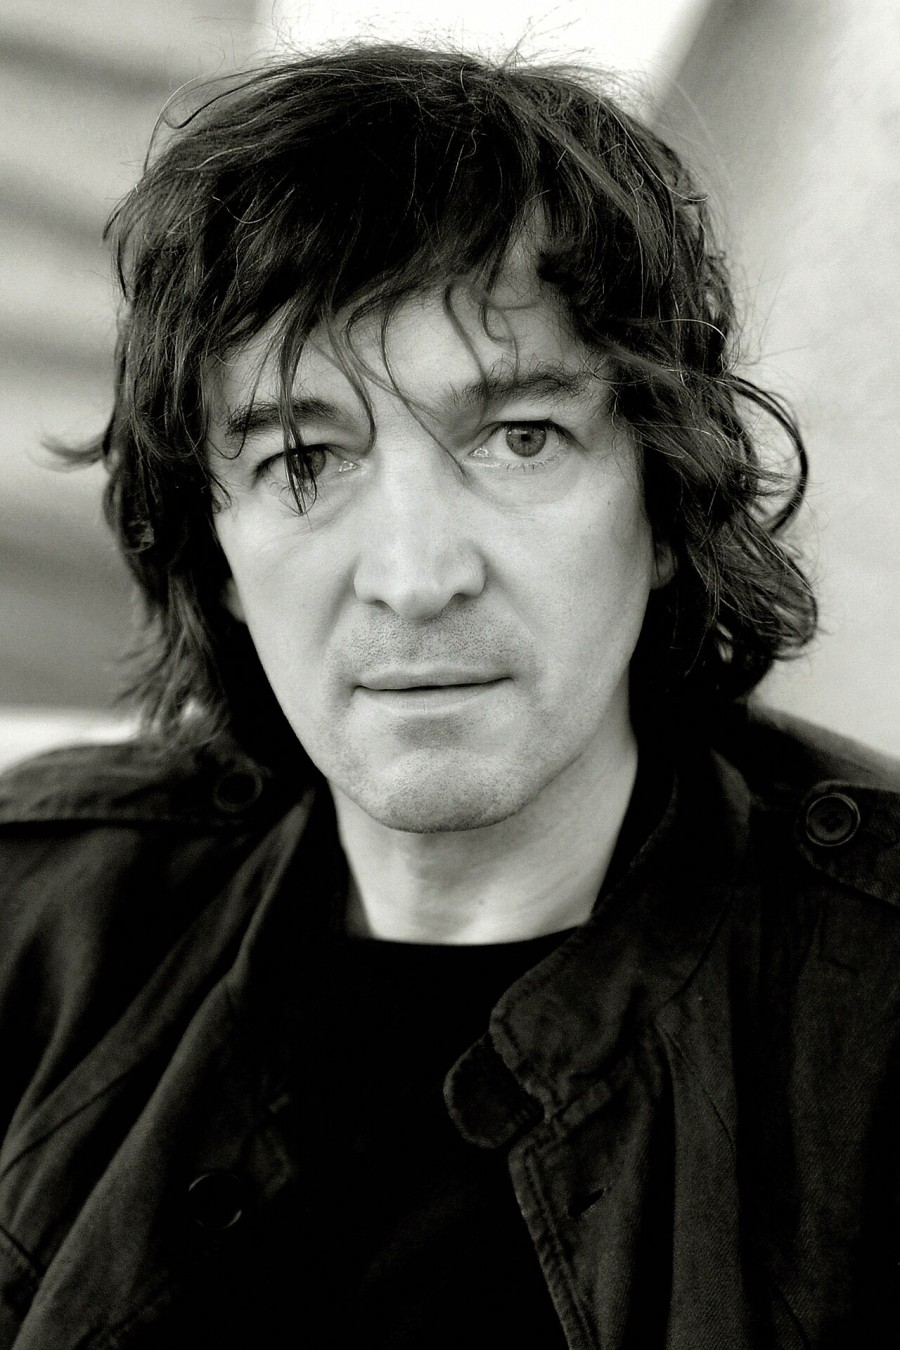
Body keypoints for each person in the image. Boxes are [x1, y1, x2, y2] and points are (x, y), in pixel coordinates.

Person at [0, 42, 897, 1350]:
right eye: (304, 459)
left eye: (520, 438)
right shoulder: (38, 922)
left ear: (664, 503)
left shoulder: (871, 996)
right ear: (219, 550)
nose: (417, 577)